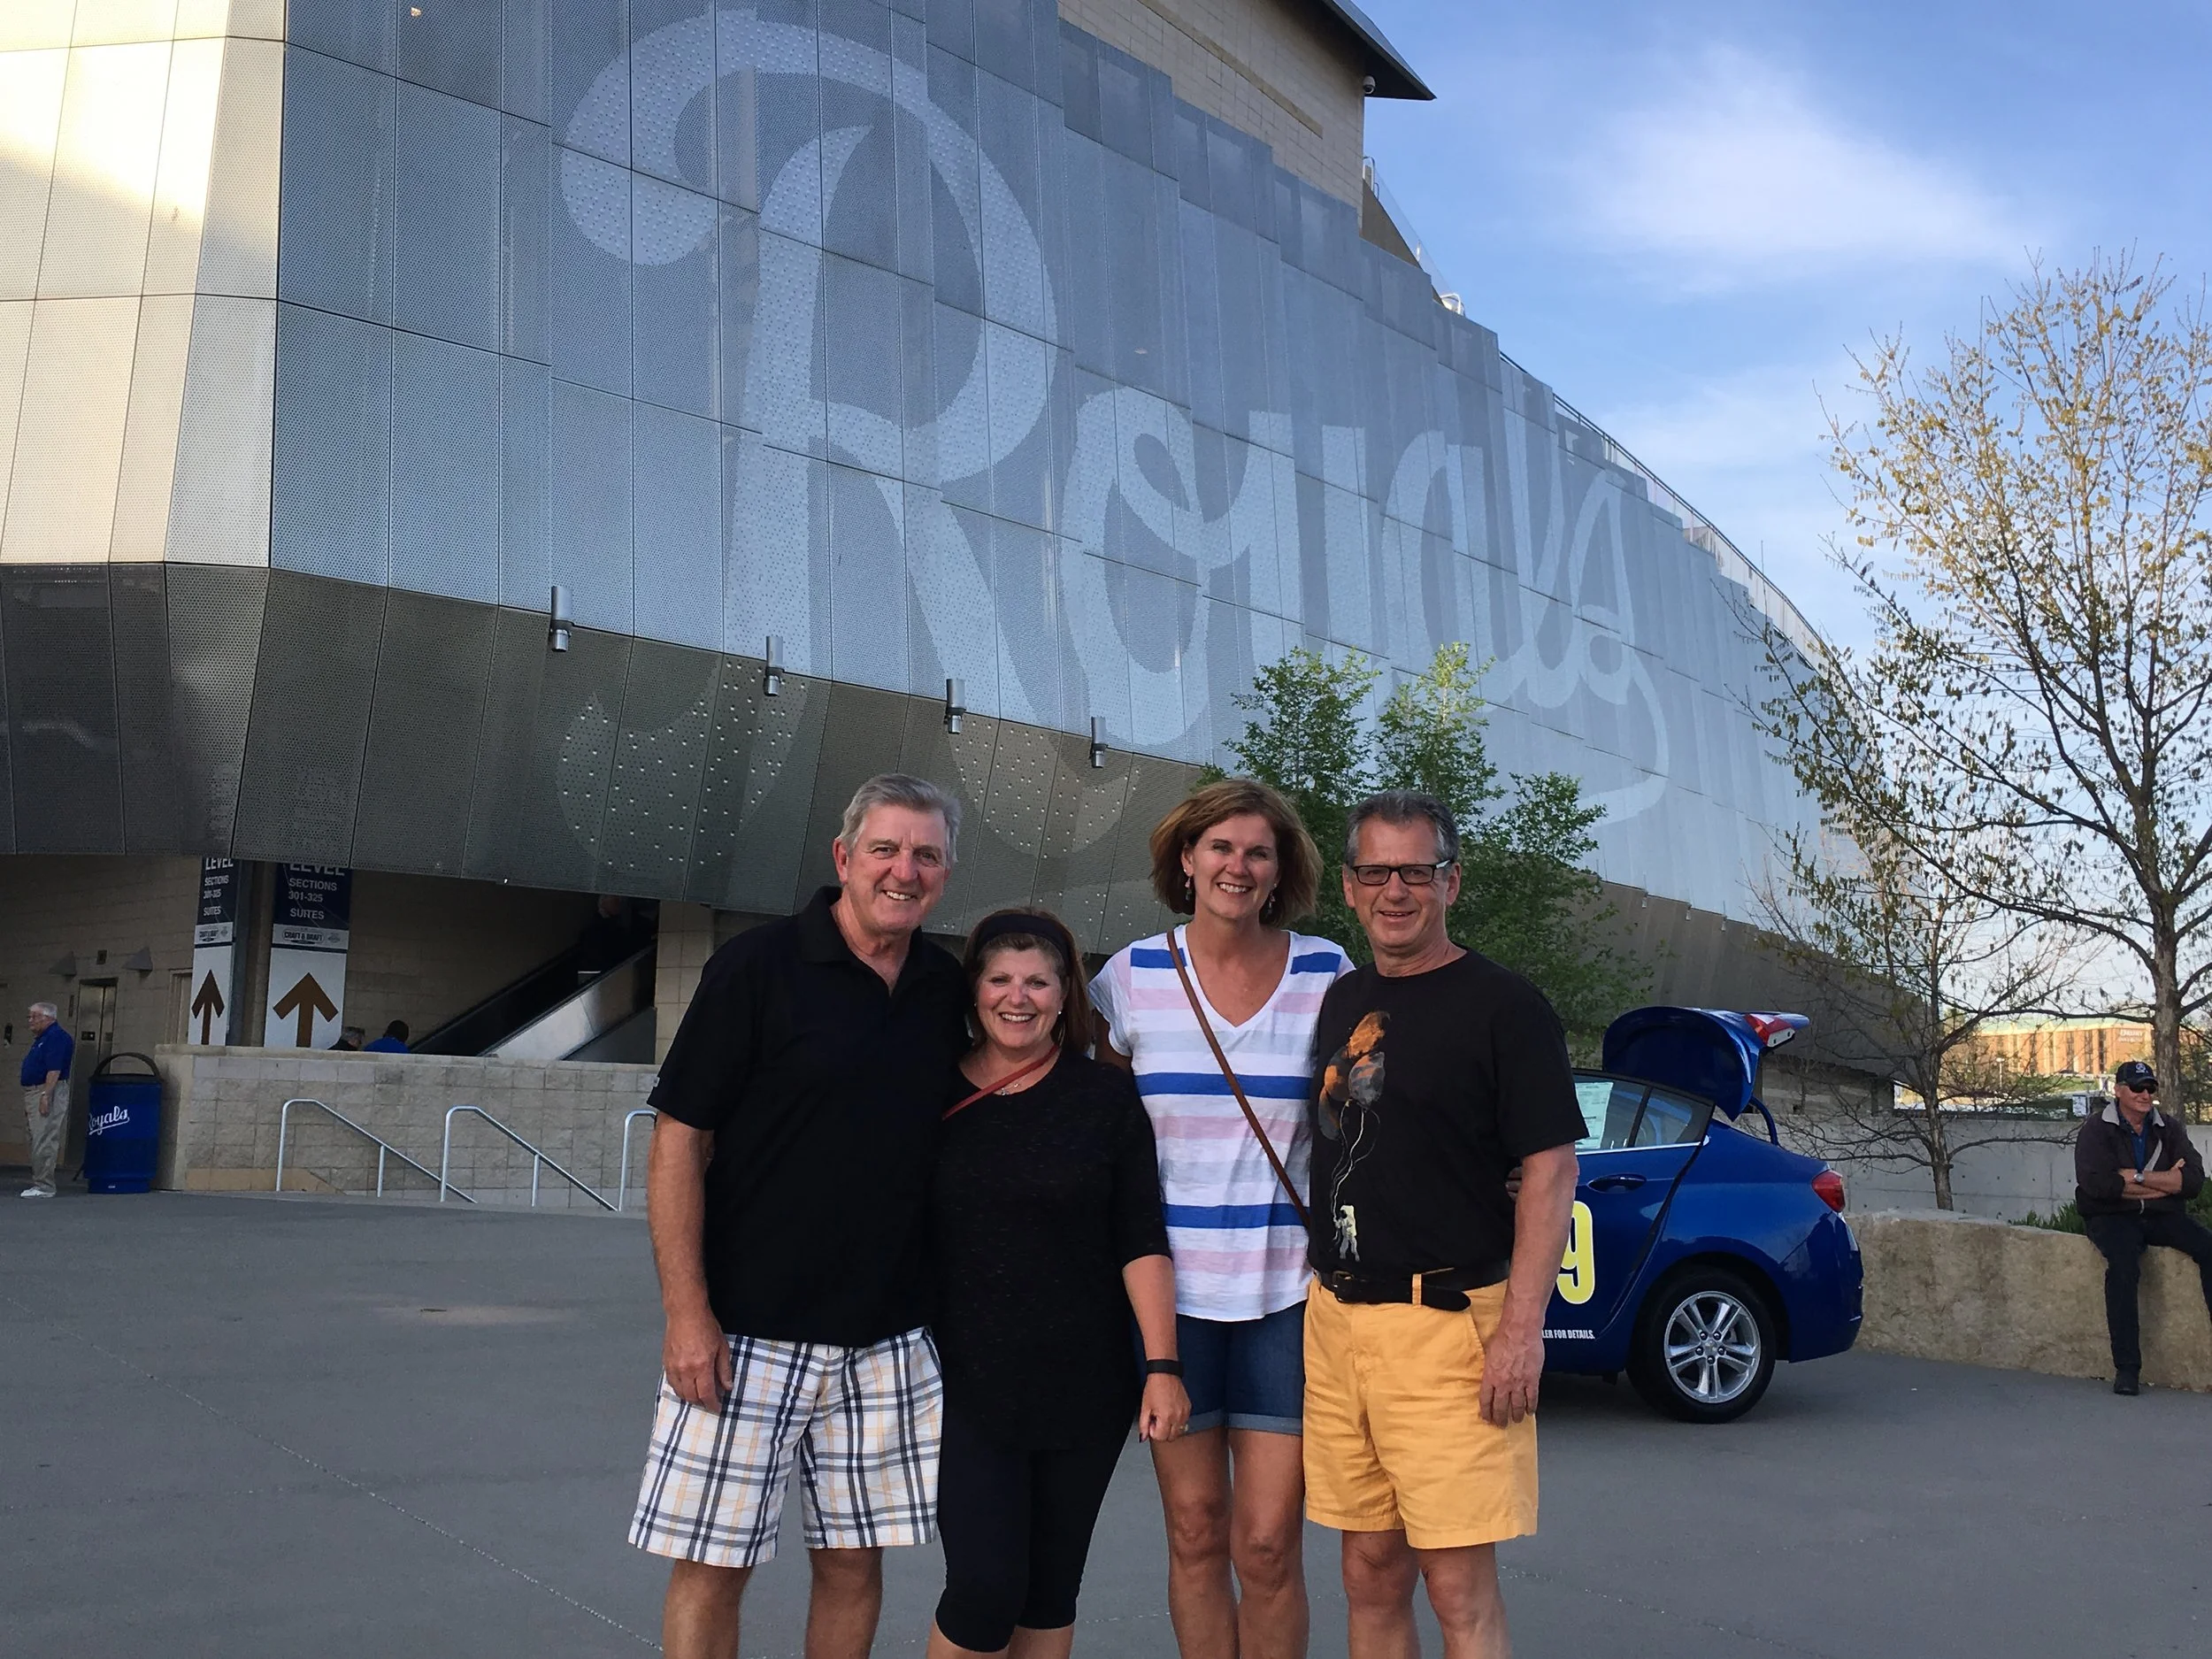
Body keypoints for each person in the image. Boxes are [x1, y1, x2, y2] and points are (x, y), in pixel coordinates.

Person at [630, 774, 970, 1659]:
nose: (904, 871)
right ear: (844, 857)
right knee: (713, 1563)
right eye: (885, 849)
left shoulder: (945, 988)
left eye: (926, 855)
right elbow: (678, 1140)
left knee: (854, 1566)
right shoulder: (757, 967)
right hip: (744, 1333)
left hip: (888, 1338)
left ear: (945, 873)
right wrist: (687, 1312)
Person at [1303, 791, 1582, 1659]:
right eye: (1375, 871)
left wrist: (1521, 1334)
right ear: (1348, 887)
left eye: (1415, 872)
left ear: (1450, 882)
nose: (1395, 890)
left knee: (1457, 1587)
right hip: (1338, 1322)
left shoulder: (1505, 1006)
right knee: (1368, 1573)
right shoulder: (1341, 1000)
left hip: (1449, 1327)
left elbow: (1551, 1170)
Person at [1090, 778, 1350, 1659]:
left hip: (1288, 1296)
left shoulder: (1326, 973)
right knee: (1196, 1529)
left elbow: (1372, 1118)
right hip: (1171, 1302)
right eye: (1221, 847)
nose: (1238, 866)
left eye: (1259, 852)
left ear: (1280, 871)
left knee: (1268, 1544)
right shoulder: (1129, 978)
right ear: (1186, 860)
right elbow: (1098, 1137)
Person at [926, 908, 1190, 1659]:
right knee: (983, 1588)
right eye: (1001, 979)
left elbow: (1140, 1237)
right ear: (975, 989)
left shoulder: (1103, 1097)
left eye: (1038, 981)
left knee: (1049, 1589)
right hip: (963, 1381)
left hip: (1085, 1383)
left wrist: (1162, 1365)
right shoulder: (929, 1091)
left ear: (1065, 992)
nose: (1019, 997)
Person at [2076, 1059, 2212, 1395]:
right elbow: (2099, 1186)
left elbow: (2193, 1181)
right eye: (2137, 1087)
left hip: (2160, 1216)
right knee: (2123, 1265)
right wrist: (2166, 1183)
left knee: (2209, 1248)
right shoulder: (2097, 1130)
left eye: (2150, 1087)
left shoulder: (2169, 1128)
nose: (2145, 1094)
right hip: (2111, 1217)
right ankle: (2127, 1369)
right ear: (2119, 1091)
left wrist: (2136, 1178)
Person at [19, 1002, 74, 1200]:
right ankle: (40, 1180)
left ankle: (45, 1186)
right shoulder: (42, 1039)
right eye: (29, 1016)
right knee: (35, 1137)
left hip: (46, 1089)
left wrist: (46, 1095)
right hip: (34, 1091)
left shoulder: (56, 1037)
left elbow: (54, 1069)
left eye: (35, 1016)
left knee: (44, 1137)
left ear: (48, 1018)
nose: (30, 1020)